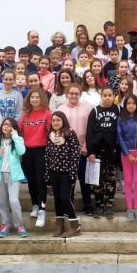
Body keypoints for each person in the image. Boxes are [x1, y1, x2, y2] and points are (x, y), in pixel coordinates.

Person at [18, 87, 51, 228]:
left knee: (40, 180)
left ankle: (43, 208)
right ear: (29, 99)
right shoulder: (25, 115)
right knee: (31, 180)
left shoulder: (47, 114)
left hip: (41, 150)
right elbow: (18, 130)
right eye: (32, 97)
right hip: (27, 151)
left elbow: (51, 132)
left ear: (42, 98)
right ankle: (35, 205)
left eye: (37, 97)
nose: (35, 99)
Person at [58, 84, 93, 215]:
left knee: (84, 179)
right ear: (67, 94)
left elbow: (90, 129)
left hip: (82, 149)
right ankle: (69, 206)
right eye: (71, 93)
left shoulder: (87, 108)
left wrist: (85, 147)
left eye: (76, 93)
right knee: (68, 180)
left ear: (80, 94)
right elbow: (58, 129)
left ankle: (87, 205)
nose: (73, 96)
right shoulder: (61, 109)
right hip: (66, 152)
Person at [46, 111, 82, 238]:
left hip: (66, 172)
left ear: (63, 121)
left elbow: (75, 154)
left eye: (58, 120)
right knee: (57, 198)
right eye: (53, 120)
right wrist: (47, 173)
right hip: (53, 171)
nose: (55, 122)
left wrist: (73, 173)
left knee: (64, 198)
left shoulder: (70, 134)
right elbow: (47, 154)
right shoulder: (49, 135)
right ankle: (59, 224)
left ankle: (75, 225)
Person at [0, 118, 28, 238]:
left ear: (14, 128)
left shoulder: (17, 140)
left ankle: (20, 225)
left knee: (13, 201)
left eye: (9, 125)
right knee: (1, 202)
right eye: (5, 124)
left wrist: (15, 136)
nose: (6, 126)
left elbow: (22, 152)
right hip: (0, 175)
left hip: (13, 175)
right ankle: (5, 224)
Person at [86, 86, 120, 218]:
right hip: (97, 151)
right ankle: (99, 204)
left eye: (109, 95)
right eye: (104, 95)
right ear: (101, 96)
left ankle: (109, 205)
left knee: (111, 179)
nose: (107, 97)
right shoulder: (94, 111)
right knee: (97, 179)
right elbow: (89, 133)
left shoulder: (117, 109)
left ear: (113, 96)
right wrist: (91, 152)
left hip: (112, 150)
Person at [117, 95, 137, 221]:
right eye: (128, 103)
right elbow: (120, 137)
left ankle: (136, 208)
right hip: (126, 154)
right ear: (125, 105)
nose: (131, 105)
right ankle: (129, 208)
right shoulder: (121, 119)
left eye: (133, 103)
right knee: (128, 181)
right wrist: (127, 153)